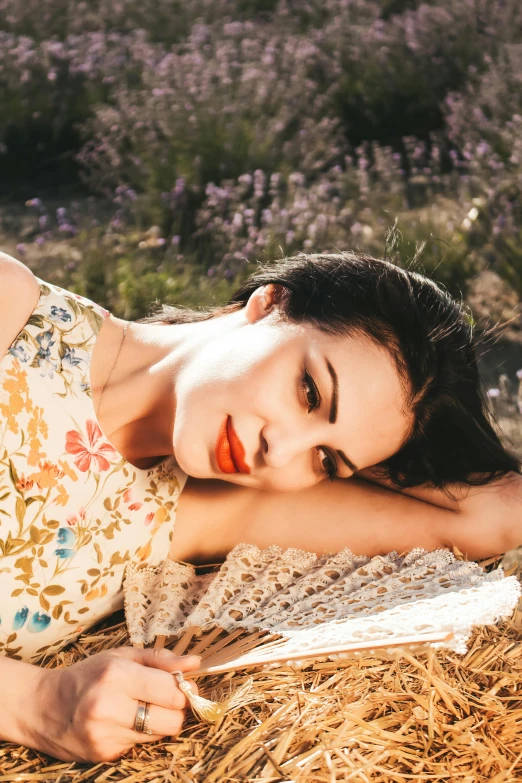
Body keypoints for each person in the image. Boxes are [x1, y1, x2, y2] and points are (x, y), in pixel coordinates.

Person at [0, 249, 521, 762]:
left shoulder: (190, 514)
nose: (281, 451)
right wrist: (35, 703)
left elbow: (493, 515)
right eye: (309, 390)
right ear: (269, 303)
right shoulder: (15, 312)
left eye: (327, 459)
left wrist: (382, 439)